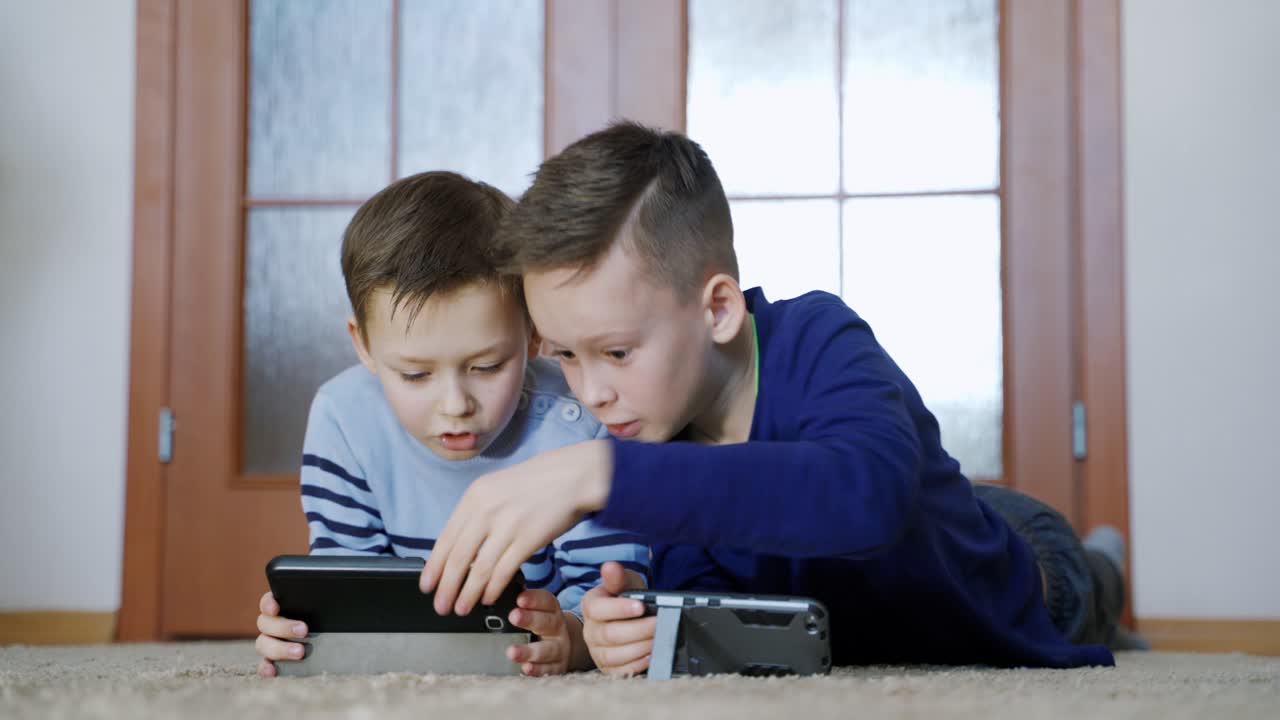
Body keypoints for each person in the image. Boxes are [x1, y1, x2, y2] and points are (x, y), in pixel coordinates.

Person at [419, 123, 1134, 674]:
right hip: (887, 589)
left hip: (1013, 572)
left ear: (719, 309)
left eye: (615, 352)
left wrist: (596, 475)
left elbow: (866, 497)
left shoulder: (818, 337)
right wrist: (631, 629)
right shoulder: (649, 428)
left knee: (1091, 582)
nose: (591, 391)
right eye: (565, 356)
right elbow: (715, 603)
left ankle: (1106, 557)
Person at [253, 171, 648, 678]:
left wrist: (572, 637)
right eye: (415, 374)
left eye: (486, 367)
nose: (455, 404)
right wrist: (306, 631)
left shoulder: (584, 420)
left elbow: (609, 593)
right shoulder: (342, 417)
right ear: (364, 345)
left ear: (532, 335)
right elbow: (348, 575)